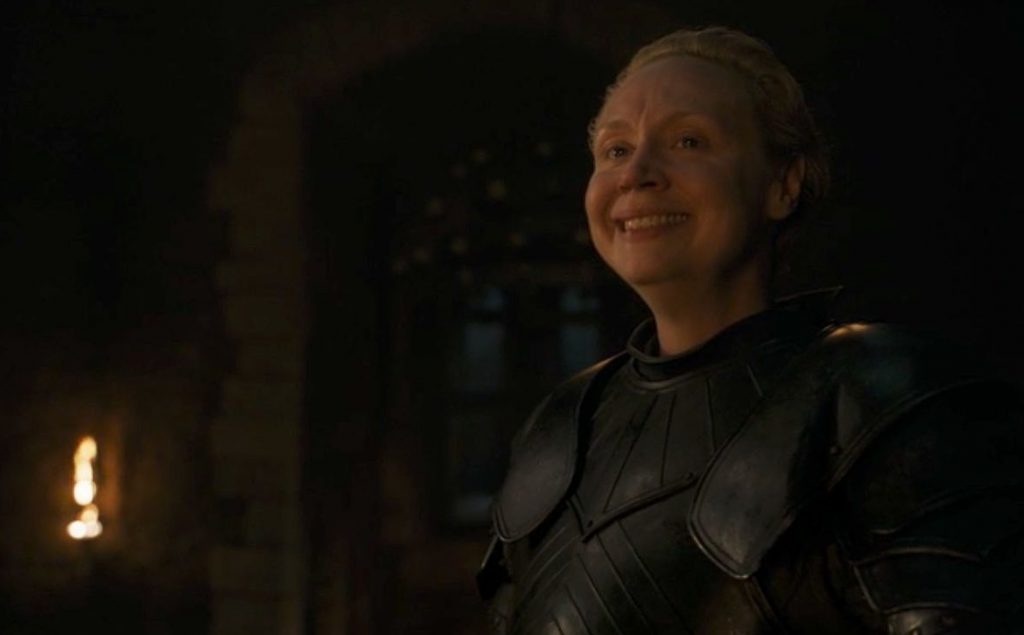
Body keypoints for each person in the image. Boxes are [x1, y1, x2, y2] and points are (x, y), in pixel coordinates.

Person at [477, 26, 1024, 634]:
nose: (636, 174)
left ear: (782, 184)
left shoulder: (880, 399)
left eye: (688, 140)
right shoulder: (561, 426)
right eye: (615, 150)